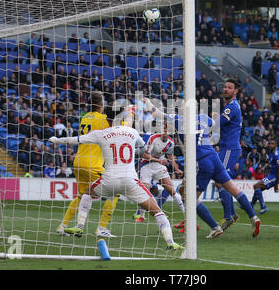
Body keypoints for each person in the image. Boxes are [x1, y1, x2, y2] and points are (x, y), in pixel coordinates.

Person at [49, 107, 184, 251]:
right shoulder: (132, 132)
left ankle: (79, 227)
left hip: (109, 180)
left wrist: (56, 140)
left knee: (87, 194)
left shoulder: (100, 133)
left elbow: (73, 140)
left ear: (106, 119)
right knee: (157, 212)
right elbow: (144, 150)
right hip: (130, 181)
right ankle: (170, 242)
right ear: (123, 118)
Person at [143, 97, 261, 239]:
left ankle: (214, 227)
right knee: (233, 189)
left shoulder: (179, 120)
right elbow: (214, 127)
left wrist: (148, 103)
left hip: (201, 162)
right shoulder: (204, 117)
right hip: (214, 156)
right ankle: (253, 217)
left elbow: (156, 113)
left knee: (190, 198)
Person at [55, 92, 117, 238]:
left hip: (78, 161)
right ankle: (101, 228)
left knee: (81, 195)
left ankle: (62, 226)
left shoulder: (85, 117)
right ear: (101, 104)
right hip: (93, 163)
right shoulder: (103, 119)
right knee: (114, 193)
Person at [133, 122, 185, 222]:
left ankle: (186, 216)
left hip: (158, 166)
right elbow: (145, 155)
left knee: (172, 191)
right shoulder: (153, 138)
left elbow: (169, 157)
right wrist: (159, 160)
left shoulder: (170, 143)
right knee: (145, 191)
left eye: (167, 130)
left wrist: (176, 169)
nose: (165, 131)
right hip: (146, 165)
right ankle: (141, 215)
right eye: (163, 129)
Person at [212, 79, 243, 231]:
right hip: (225, 147)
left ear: (235, 91)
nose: (226, 89)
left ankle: (229, 216)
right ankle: (231, 214)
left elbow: (218, 123)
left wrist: (203, 121)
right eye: (225, 87)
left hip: (229, 148)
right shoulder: (230, 106)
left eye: (229, 88)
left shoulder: (232, 107)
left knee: (220, 181)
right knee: (220, 181)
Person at [251, 137, 279, 214]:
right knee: (258, 189)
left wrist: (276, 184)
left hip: (275, 177)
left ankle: (263, 207)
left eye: (272, 144)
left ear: (275, 145)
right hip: (271, 175)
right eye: (269, 143)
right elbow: (269, 163)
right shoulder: (270, 152)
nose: (270, 145)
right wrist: (264, 167)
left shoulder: (277, 155)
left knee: (256, 186)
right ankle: (251, 206)